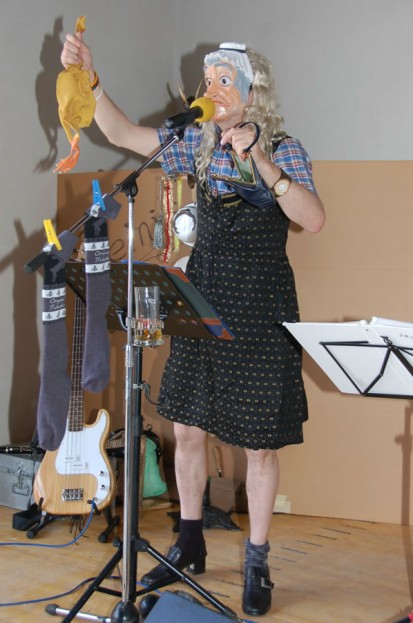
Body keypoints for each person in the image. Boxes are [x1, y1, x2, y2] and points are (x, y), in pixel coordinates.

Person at [61, 34, 325, 617]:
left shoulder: (285, 148)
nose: (214, 90)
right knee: (185, 431)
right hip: (202, 301)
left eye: (226, 80)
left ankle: (257, 560)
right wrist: (90, 79)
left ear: (253, 91)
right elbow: (121, 134)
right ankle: (188, 543)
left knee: (259, 446)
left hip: (261, 309)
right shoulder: (194, 144)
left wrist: (261, 162)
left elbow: (313, 218)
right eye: (209, 81)